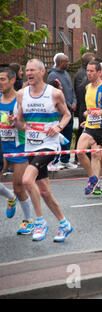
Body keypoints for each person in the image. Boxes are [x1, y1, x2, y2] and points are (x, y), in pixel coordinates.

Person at [9, 59, 73, 242]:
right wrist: (15, 122)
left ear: (42, 72)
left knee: (27, 179)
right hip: (31, 145)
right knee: (44, 190)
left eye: (33, 70)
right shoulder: (21, 94)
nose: (29, 73)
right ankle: (64, 223)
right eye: (27, 70)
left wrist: (58, 127)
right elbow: (21, 124)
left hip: (49, 144)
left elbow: (67, 115)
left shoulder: (54, 93)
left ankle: (39, 222)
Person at [0, 67, 34, 235]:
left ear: (12, 81)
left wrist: (16, 122)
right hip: (1, 147)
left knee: (19, 186)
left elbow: (28, 124)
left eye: (3, 79)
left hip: (18, 147)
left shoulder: (19, 101)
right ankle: (10, 197)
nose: (0, 83)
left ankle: (28, 221)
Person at [76, 60, 102, 197]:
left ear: (99, 72)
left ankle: (101, 184)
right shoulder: (87, 88)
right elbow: (89, 108)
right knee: (80, 152)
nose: (89, 73)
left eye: (92, 71)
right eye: (87, 70)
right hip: (90, 125)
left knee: (98, 156)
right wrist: (87, 116)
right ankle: (93, 178)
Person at [47, 53, 78, 170]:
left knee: (68, 136)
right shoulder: (52, 75)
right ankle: (56, 160)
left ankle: (65, 160)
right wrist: (69, 105)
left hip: (69, 111)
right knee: (59, 136)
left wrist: (74, 101)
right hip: (61, 114)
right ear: (60, 62)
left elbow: (71, 90)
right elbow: (56, 93)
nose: (69, 63)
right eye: (66, 61)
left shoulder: (66, 74)